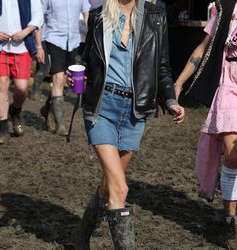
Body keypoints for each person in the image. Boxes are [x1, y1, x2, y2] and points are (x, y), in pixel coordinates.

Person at [68, 0, 185, 248]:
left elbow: (161, 66)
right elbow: (87, 56)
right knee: (120, 189)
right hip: (102, 108)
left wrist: (171, 100)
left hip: (135, 112)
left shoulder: (155, 16)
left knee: (108, 185)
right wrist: (76, 73)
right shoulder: (98, 16)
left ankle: (80, 239)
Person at [175, 0, 237, 248]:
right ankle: (230, 222)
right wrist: (178, 83)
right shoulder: (227, 9)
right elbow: (203, 49)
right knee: (233, 152)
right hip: (231, 85)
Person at [40, 0, 91, 136]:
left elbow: (86, 14)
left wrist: (91, 34)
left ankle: (48, 107)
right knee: (58, 78)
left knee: (68, 81)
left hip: (74, 41)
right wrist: (39, 44)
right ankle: (60, 124)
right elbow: (40, 16)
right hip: (53, 39)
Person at [0, 0, 43, 144]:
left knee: (21, 88)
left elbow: (38, 17)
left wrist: (25, 32)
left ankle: (15, 111)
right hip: (1, 47)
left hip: (22, 47)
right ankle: (2, 127)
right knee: (2, 84)